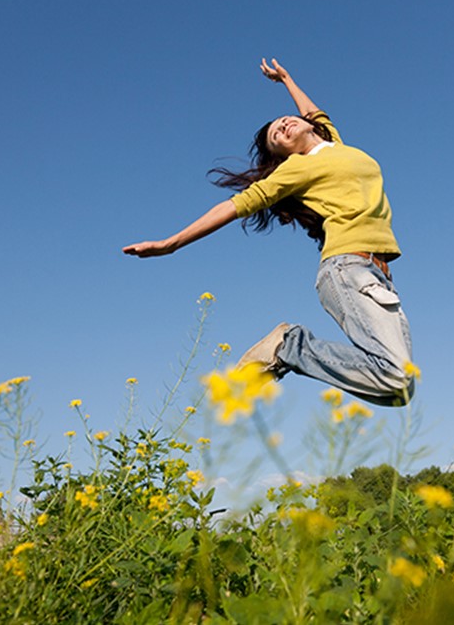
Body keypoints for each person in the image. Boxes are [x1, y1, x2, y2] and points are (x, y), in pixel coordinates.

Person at [123, 59, 414, 406]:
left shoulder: (335, 144)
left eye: (283, 121)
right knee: (394, 375)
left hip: (379, 275)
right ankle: (289, 346)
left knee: (399, 390)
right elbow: (236, 205)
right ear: (282, 155)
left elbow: (315, 113)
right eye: (277, 136)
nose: (283, 126)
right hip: (348, 267)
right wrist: (171, 244)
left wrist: (287, 80)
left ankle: (290, 349)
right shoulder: (296, 168)